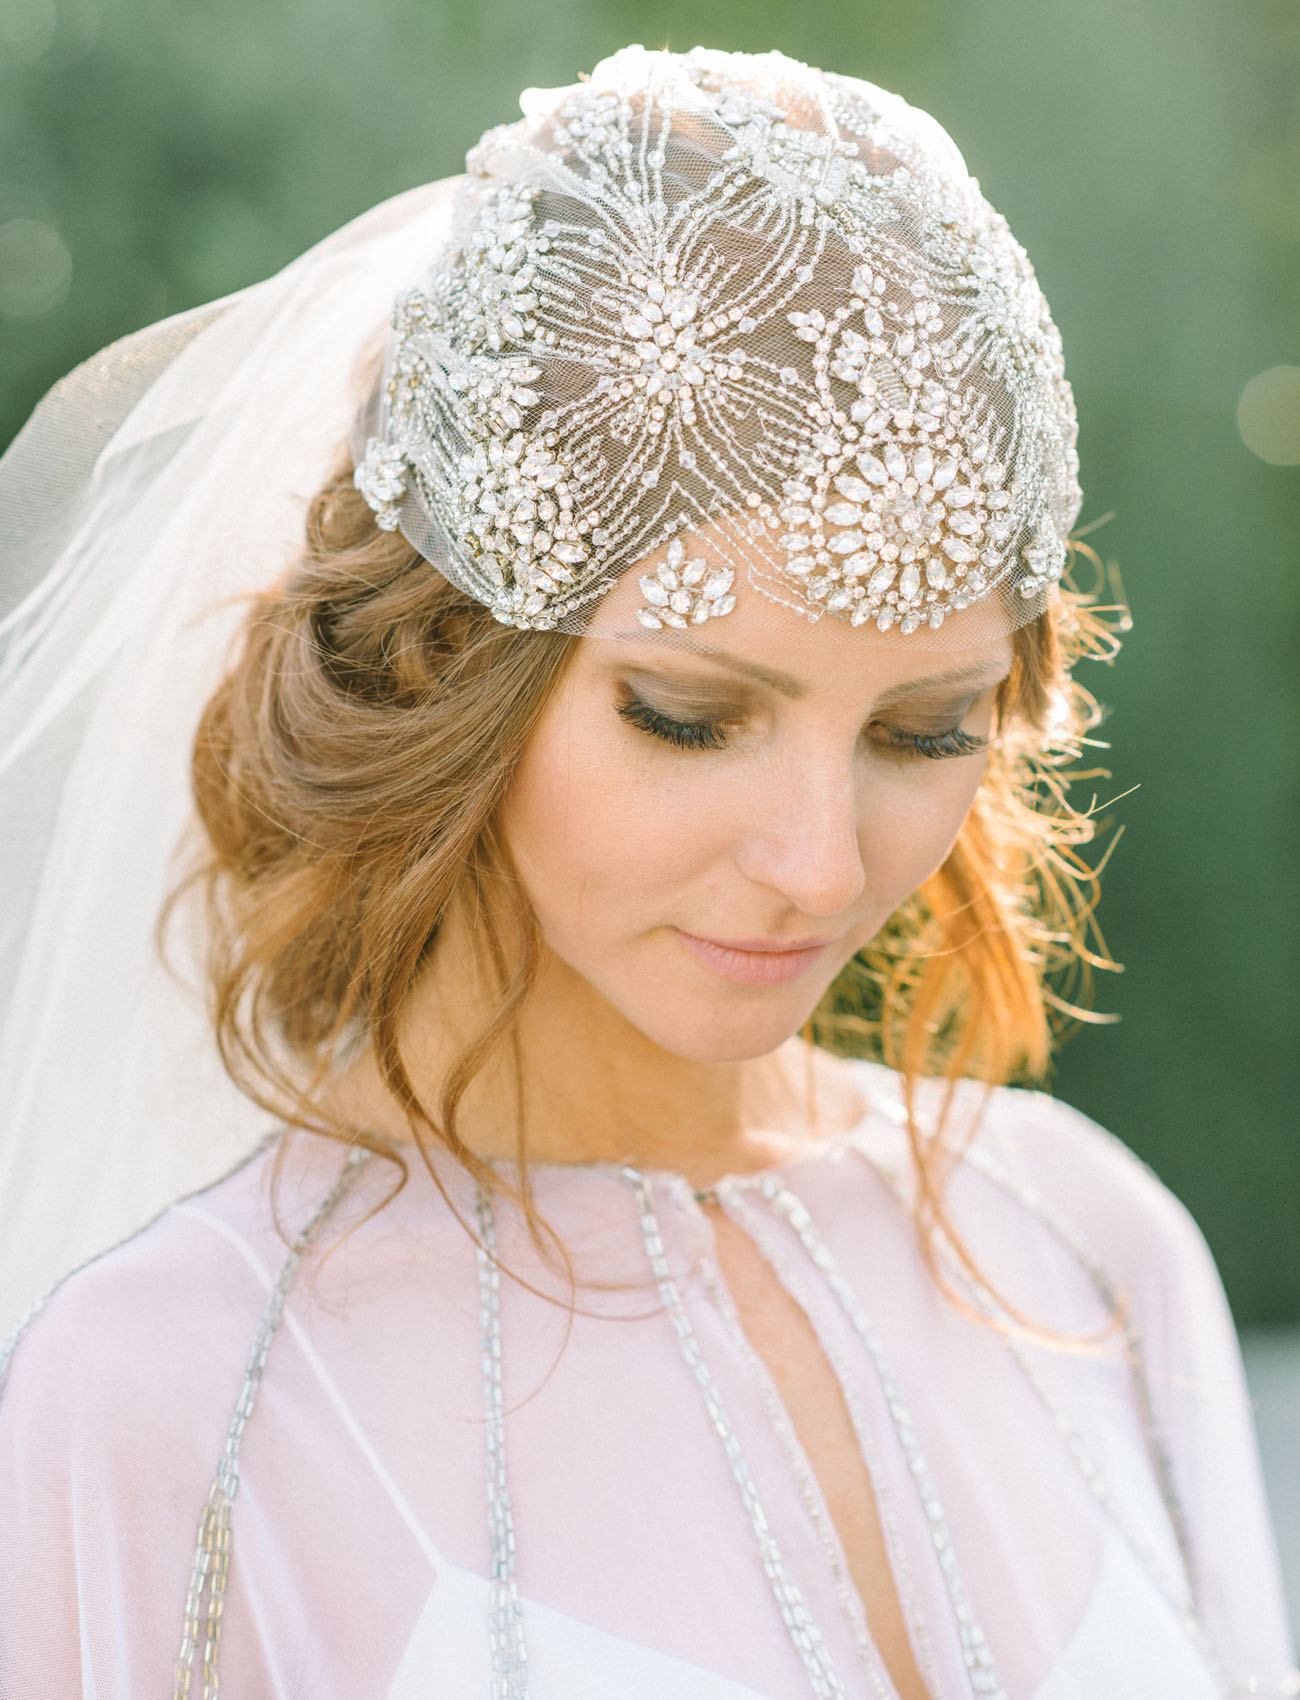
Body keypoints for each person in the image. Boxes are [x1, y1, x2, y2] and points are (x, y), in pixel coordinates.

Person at [0, 43, 1294, 1700]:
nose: (821, 864)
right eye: (689, 718)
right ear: (451, 664)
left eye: (924, 730)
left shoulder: (1093, 1252)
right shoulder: (176, 1399)